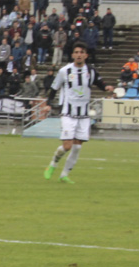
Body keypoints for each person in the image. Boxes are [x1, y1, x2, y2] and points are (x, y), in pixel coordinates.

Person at [43, 42, 113, 183]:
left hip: (84, 115)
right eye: (76, 52)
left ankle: (64, 175)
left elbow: (100, 83)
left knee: (77, 148)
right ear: (73, 55)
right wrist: (48, 104)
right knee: (67, 146)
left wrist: (107, 88)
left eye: (82, 52)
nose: (79, 54)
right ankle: (53, 164)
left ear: (86, 55)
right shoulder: (65, 71)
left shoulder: (91, 71)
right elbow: (54, 89)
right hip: (68, 113)